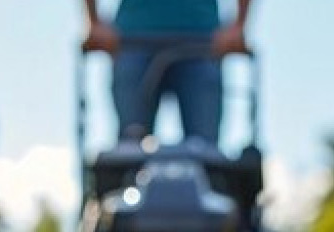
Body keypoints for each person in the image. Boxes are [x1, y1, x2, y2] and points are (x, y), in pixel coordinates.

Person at [81, 0, 253, 144]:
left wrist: (238, 25)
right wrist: (94, 22)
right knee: (130, 147)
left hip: (202, 44)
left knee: (205, 151)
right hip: (133, 40)